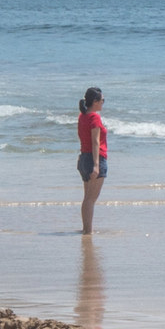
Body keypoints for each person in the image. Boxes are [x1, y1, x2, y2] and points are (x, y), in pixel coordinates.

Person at [75, 87, 107, 234]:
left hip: (84, 157)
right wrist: (96, 165)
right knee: (90, 199)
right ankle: (88, 231)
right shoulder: (94, 117)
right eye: (102, 101)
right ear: (95, 102)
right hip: (94, 158)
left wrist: (82, 158)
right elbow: (95, 142)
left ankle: (86, 229)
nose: (103, 103)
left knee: (87, 198)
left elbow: (83, 138)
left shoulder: (83, 116)